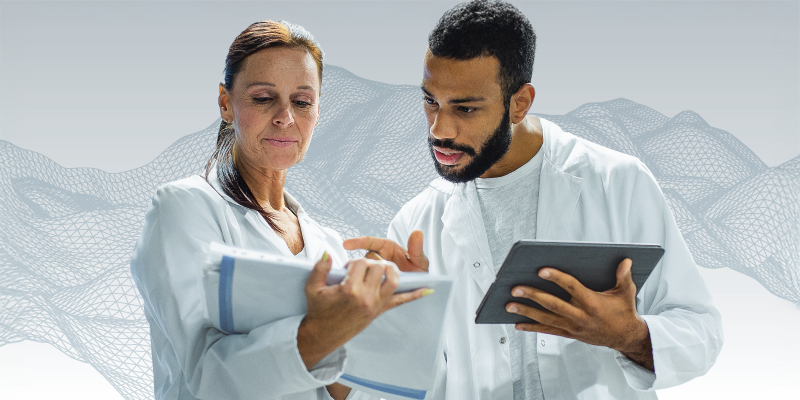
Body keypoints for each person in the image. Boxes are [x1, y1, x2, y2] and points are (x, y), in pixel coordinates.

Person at [344, 1, 724, 399]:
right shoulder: (415, 224)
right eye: (430, 101)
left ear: (520, 103)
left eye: (466, 108)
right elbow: (407, 385)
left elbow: (702, 332)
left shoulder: (618, 183)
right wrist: (401, 322)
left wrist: (628, 335)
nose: (440, 128)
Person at [130, 20, 429, 400]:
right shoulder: (184, 209)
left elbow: (341, 391)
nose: (285, 117)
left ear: (318, 111)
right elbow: (207, 381)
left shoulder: (327, 244)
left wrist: (387, 308)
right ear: (226, 103)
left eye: (302, 102)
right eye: (263, 98)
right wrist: (318, 332)